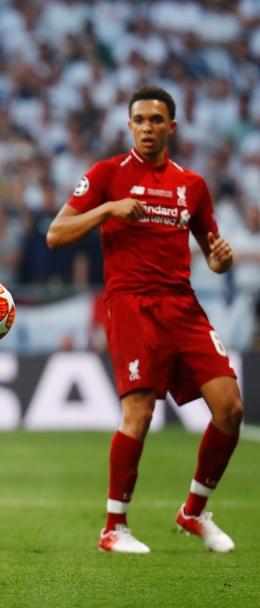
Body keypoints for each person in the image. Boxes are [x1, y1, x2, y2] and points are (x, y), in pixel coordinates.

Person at [47, 85, 243, 554]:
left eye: (157, 120)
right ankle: (114, 528)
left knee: (231, 408)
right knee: (139, 414)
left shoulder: (191, 185)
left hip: (182, 305)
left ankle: (193, 512)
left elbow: (212, 254)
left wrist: (221, 259)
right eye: (140, 119)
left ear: (171, 126)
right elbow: (56, 234)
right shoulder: (106, 175)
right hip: (131, 303)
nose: (148, 127)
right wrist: (107, 209)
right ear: (129, 125)